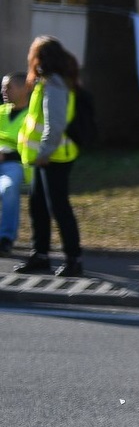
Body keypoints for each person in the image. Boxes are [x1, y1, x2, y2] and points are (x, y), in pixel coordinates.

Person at [15, 36, 83, 276]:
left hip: (53, 156)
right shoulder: (50, 82)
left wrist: (44, 152)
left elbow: (54, 124)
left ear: (40, 58)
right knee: (39, 207)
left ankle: (73, 259)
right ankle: (40, 255)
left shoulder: (53, 85)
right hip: (47, 156)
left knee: (58, 208)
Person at [0, 72, 28, 262]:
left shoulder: (31, 116)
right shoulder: (1, 111)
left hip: (15, 164)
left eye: (8, 87)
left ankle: (5, 238)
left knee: (8, 188)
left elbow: (31, 146)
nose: (4, 91)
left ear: (23, 88)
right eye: (3, 87)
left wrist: (6, 154)